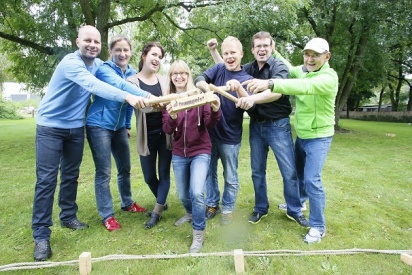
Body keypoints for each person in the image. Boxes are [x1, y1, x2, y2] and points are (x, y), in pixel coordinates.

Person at [32, 25, 150, 261]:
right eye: (88, 40)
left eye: (96, 42)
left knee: (70, 175)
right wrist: (128, 97)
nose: (92, 45)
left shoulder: (98, 66)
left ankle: (68, 217)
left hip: (75, 127)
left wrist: (146, 96)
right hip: (50, 127)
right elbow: (96, 87)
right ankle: (41, 236)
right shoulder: (71, 63)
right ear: (78, 42)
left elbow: (119, 83)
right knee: (46, 180)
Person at [239, 37, 338, 243]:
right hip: (302, 135)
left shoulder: (328, 77)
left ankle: (318, 226)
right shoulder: (303, 70)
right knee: (299, 174)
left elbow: (301, 86)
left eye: (315, 55)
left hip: (319, 137)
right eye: (307, 54)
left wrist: (269, 83)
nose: (310, 59)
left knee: (312, 180)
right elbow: (290, 68)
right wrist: (272, 51)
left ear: (326, 57)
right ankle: (297, 204)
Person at [207, 32, 309, 227]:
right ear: (252, 50)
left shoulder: (279, 67)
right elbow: (228, 66)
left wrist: (251, 98)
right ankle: (261, 208)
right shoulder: (249, 68)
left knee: (288, 170)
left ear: (272, 48)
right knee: (257, 171)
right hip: (256, 126)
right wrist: (214, 51)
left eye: (265, 46)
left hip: (278, 125)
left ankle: (295, 209)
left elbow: (277, 92)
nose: (262, 50)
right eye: (258, 46)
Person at [86, 35, 148, 232]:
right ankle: (107, 215)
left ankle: (127, 203)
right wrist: (149, 96)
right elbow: (121, 88)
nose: (122, 54)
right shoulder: (104, 69)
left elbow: (130, 103)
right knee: (104, 172)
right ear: (111, 51)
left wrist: (127, 125)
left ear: (131, 52)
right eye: (118, 50)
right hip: (99, 125)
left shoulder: (131, 72)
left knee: (125, 168)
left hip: (119, 128)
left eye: (126, 50)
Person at [162, 60, 221, 253]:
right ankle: (190, 213)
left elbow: (210, 123)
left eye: (183, 73)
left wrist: (214, 108)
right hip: (179, 153)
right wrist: (170, 116)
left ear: (188, 75)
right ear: (171, 77)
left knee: (197, 192)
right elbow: (167, 129)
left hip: (200, 151)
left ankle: (198, 233)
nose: (179, 76)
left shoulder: (199, 96)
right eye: (174, 74)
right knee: (183, 195)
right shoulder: (169, 99)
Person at [194, 36, 253, 226]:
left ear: (241, 54)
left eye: (233, 53)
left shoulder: (247, 79)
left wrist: (239, 90)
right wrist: (203, 84)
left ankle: (228, 208)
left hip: (230, 138)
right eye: (226, 53)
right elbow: (200, 78)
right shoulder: (219, 69)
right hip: (209, 135)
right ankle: (212, 204)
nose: (229, 56)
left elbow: (249, 106)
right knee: (209, 174)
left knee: (230, 176)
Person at [126, 42, 172, 229]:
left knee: (164, 173)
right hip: (147, 135)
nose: (157, 59)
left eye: (160, 57)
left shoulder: (163, 80)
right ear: (144, 56)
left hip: (165, 133)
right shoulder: (132, 81)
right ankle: (162, 200)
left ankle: (157, 211)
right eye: (154, 54)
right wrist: (155, 103)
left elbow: (170, 102)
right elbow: (139, 105)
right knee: (149, 177)